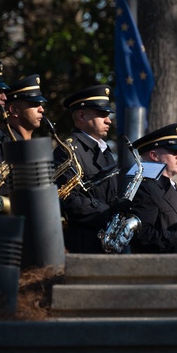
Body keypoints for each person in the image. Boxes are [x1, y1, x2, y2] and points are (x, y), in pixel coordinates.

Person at [53, 84, 130, 253]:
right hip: (83, 245)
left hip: (107, 243)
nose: (108, 120)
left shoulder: (105, 151)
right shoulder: (67, 151)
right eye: (102, 114)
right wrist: (108, 211)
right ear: (81, 115)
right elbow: (67, 199)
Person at [128, 123, 177, 253]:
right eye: (173, 151)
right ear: (154, 156)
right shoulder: (145, 188)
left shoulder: (168, 186)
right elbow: (140, 234)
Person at [1, 73, 48, 143]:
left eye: (40, 104)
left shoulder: (24, 142)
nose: (41, 109)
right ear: (14, 110)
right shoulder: (8, 145)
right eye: (34, 104)